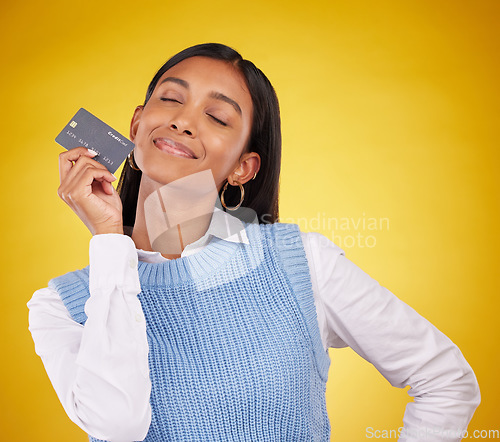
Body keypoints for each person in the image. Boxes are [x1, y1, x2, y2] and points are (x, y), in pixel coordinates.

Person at [28, 43, 480, 442]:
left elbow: (445, 379)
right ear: (136, 123)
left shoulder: (300, 263)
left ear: (243, 167)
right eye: (170, 99)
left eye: (217, 116)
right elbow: (117, 425)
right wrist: (110, 243)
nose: (184, 121)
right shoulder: (61, 305)